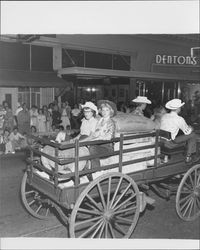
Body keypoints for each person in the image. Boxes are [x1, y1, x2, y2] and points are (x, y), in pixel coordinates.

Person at [160, 98, 200, 163]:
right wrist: (191, 128)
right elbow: (187, 132)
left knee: (183, 135)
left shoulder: (164, 116)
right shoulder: (179, 119)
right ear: (178, 108)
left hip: (161, 141)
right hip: (170, 143)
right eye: (180, 107)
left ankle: (167, 157)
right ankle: (188, 156)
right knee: (192, 135)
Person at [81, 100, 117, 169]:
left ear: (111, 111)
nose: (104, 112)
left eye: (107, 110)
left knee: (92, 149)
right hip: (98, 144)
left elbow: (108, 137)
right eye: (103, 110)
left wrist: (96, 139)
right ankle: (85, 168)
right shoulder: (100, 121)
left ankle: (96, 170)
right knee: (86, 148)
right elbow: (95, 134)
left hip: (107, 147)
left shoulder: (111, 122)